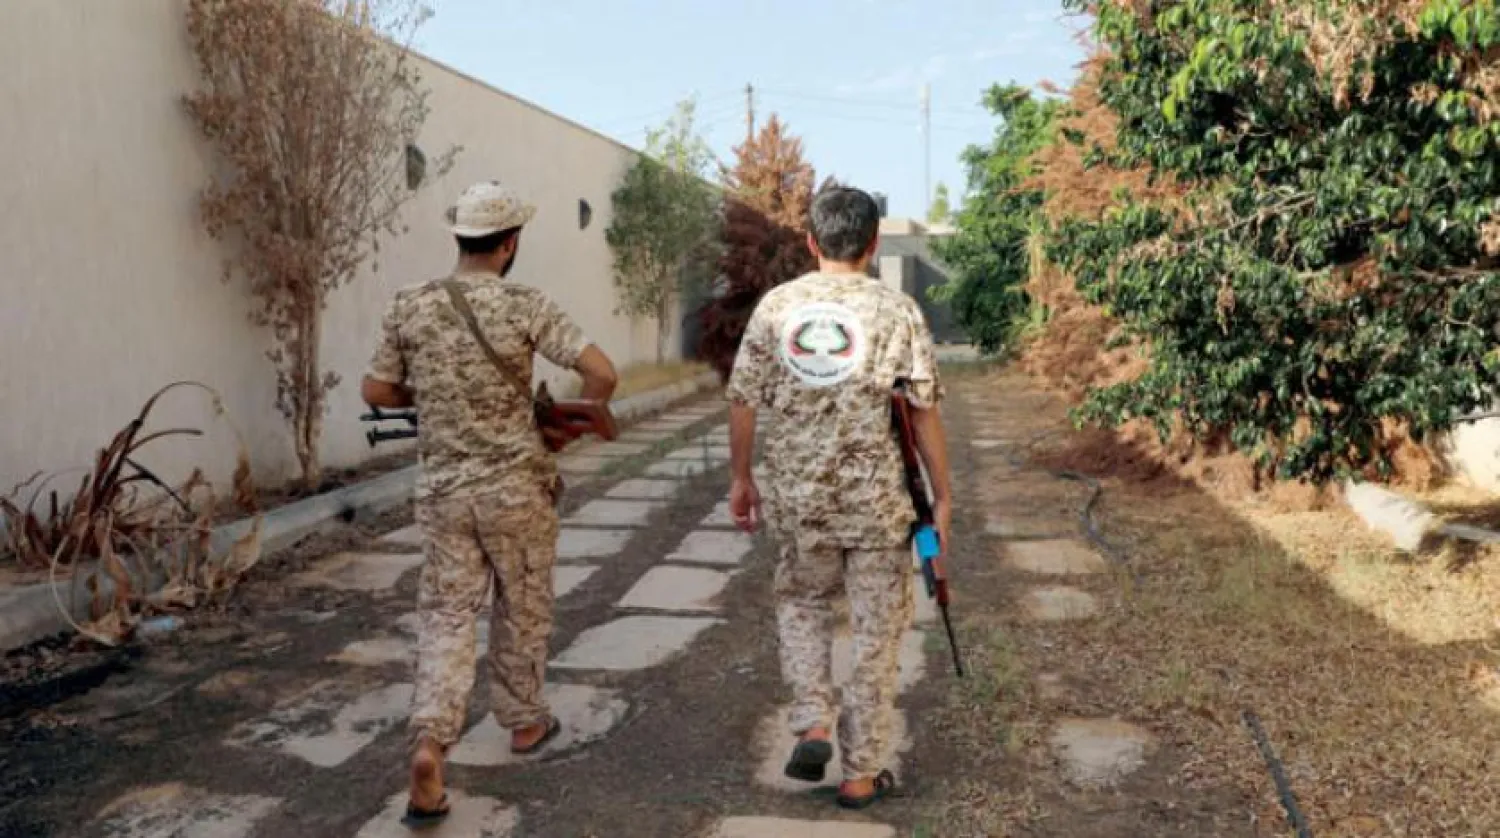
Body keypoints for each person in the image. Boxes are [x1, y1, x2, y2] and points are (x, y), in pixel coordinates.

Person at [361, 180, 618, 827]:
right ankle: (525, 722)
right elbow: (604, 373)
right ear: (509, 244)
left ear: (460, 239)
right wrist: (572, 417)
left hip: (445, 491)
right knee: (522, 603)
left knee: (447, 615)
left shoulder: (409, 304)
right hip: (516, 490)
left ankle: (430, 745)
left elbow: (377, 388)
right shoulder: (526, 304)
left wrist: (440, 401)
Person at [725, 184, 953, 810]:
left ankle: (813, 722)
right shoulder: (897, 310)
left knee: (801, 606)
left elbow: (742, 398)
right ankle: (860, 773)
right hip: (877, 507)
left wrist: (742, 477)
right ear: (874, 243)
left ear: (810, 242)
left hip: (802, 506)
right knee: (878, 636)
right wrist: (944, 494)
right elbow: (923, 410)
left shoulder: (776, 307)